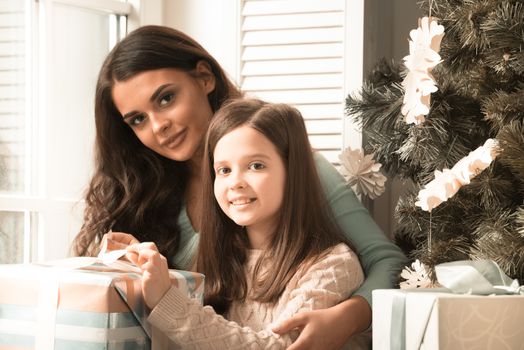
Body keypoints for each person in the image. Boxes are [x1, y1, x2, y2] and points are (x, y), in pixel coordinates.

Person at [72, 25, 407, 349]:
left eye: (166, 98)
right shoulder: (149, 196)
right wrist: (134, 262)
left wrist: (347, 319)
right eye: (138, 119)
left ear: (204, 78)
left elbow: (388, 262)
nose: (159, 126)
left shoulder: (300, 174)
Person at [124, 98, 369, 349]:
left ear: (292, 172)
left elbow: (279, 347)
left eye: (255, 165)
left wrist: (167, 302)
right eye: (224, 170)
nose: (235, 182)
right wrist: (135, 264)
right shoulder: (218, 257)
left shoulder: (334, 265)